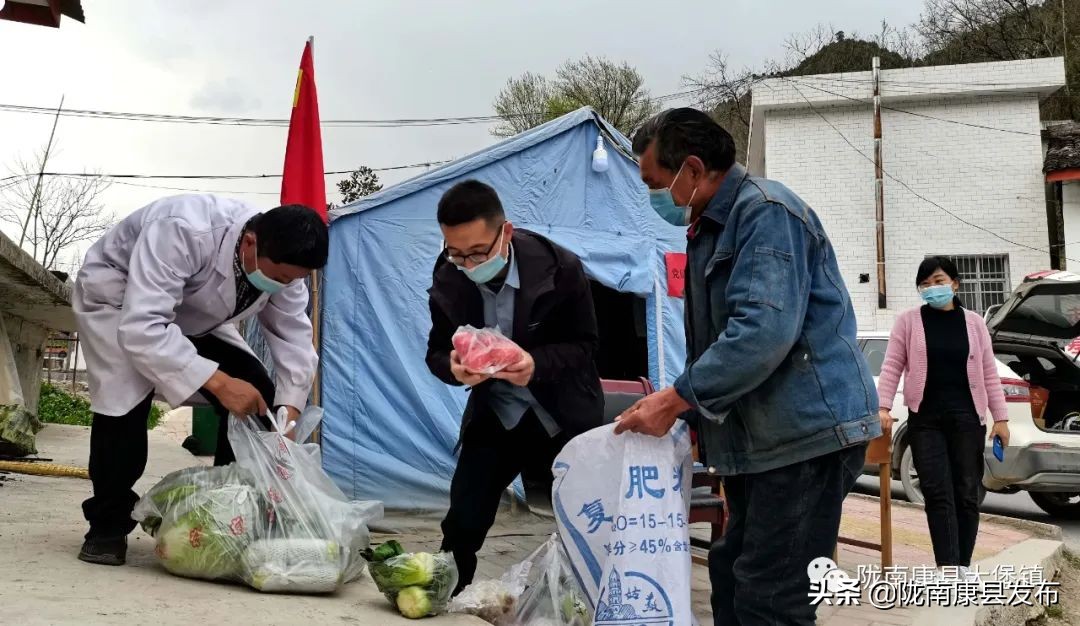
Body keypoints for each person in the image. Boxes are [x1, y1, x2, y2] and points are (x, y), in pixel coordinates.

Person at [616, 108, 881, 625]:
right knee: (733, 577)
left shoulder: (766, 213)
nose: (652, 198)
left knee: (772, 598)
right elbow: (713, 344)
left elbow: (763, 332)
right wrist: (696, 421)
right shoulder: (708, 228)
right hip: (759, 442)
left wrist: (676, 400)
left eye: (654, 183)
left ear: (693, 169)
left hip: (804, 437)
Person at [73, 194, 327, 566]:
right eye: (277, 277)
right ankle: (106, 527)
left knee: (256, 391)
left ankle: (229, 513)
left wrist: (287, 418)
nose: (281, 286)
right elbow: (143, 327)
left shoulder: (282, 268)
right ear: (250, 242)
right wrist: (220, 384)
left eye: (291, 281)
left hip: (191, 314)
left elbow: (295, 342)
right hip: (121, 303)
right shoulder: (182, 229)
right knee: (124, 402)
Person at [425, 180, 603, 592]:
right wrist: (453, 368)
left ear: (506, 232)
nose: (468, 264)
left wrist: (535, 365)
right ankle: (445, 595)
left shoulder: (560, 269)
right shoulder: (449, 276)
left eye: (477, 252)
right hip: (497, 412)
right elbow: (435, 351)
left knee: (583, 516)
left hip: (561, 411)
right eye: (456, 252)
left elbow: (585, 345)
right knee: (464, 517)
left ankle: (585, 599)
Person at [876, 257, 1009, 577]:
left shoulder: (974, 323)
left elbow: (989, 373)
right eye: (925, 284)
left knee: (967, 492)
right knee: (937, 492)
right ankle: (947, 567)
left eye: (938, 281)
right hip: (925, 420)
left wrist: (1001, 418)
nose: (932, 288)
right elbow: (892, 366)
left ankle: (963, 565)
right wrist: (882, 407)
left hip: (968, 419)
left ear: (955, 284)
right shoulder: (908, 322)